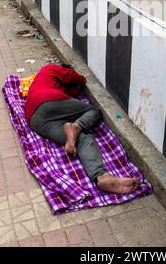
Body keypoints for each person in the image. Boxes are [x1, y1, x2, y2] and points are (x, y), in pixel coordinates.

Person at [26, 64, 139, 194]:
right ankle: (77, 125)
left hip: (35, 121)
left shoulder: (41, 84)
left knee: (82, 139)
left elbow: (73, 94)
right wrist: (81, 78)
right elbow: (75, 78)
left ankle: (102, 177)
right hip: (48, 100)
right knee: (93, 111)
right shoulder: (49, 68)